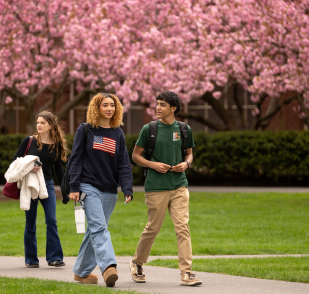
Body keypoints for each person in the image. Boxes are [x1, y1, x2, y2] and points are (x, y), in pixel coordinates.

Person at [129, 91, 202, 286]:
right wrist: (153, 165)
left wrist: (186, 165)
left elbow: (189, 155)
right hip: (156, 187)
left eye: (162, 105)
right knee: (153, 228)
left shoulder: (184, 129)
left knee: (182, 228)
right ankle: (137, 263)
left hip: (179, 185)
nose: (158, 108)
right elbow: (136, 156)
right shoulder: (149, 129)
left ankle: (186, 273)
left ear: (173, 108)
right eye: (157, 104)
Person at [68, 93, 133, 287]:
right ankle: (108, 267)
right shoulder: (85, 130)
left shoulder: (117, 133)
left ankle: (80, 272)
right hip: (88, 186)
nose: (109, 108)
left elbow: (123, 163)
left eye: (112, 105)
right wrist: (74, 186)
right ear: (97, 108)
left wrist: (127, 187)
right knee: (98, 227)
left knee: (95, 230)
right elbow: (76, 159)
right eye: (105, 105)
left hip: (110, 189)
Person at [12, 111, 69, 268]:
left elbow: (59, 170)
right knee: (30, 223)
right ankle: (31, 259)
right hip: (31, 185)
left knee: (51, 220)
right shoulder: (29, 141)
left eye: (42, 123)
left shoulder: (55, 145)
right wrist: (31, 166)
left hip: (48, 185)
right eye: (38, 122)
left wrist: (64, 192)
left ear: (50, 125)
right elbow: (15, 161)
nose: (39, 125)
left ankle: (54, 257)